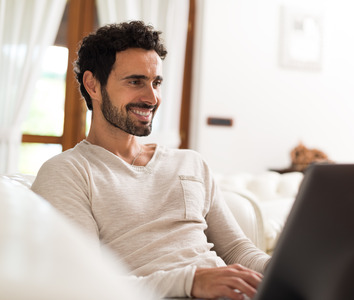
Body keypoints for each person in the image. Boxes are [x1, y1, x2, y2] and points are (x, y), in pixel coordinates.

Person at [31, 21, 270, 299]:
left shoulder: (190, 163)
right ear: (93, 85)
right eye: (135, 82)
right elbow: (85, 283)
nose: (152, 97)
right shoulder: (67, 173)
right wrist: (190, 281)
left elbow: (237, 250)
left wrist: (286, 271)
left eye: (156, 82)